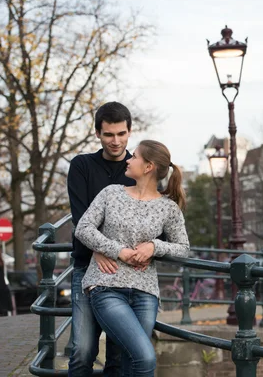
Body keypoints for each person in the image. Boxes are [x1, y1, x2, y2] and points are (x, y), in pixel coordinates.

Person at [75, 139, 190, 377]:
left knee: (130, 361)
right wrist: (118, 251)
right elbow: (83, 229)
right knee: (145, 356)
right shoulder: (111, 193)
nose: (128, 159)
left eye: (134, 156)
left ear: (148, 167)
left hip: (145, 292)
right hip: (106, 286)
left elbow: (183, 248)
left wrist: (154, 246)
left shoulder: (168, 208)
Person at [67, 102, 141, 376]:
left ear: (130, 131)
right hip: (87, 265)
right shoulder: (82, 165)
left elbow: (143, 221)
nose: (116, 141)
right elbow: (81, 215)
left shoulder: (139, 168)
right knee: (82, 350)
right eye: (109, 134)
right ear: (98, 133)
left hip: (125, 272)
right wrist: (98, 249)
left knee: (119, 355)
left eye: (121, 134)